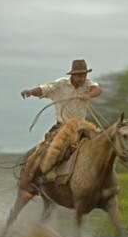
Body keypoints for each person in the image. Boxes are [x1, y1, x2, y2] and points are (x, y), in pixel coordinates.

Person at [18, 59, 102, 190]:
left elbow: (98, 89)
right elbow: (43, 89)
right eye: (79, 75)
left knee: (101, 145)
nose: (82, 78)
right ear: (72, 75)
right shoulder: (60, 85)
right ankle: (40, 177)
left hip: (82, 127)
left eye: (84, 75)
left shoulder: (88, 85)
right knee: (51, 151)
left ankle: (99, 180)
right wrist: (30, 92)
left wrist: (88, 95)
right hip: (62, 127)